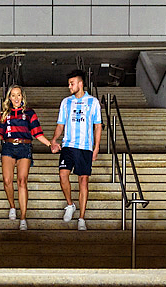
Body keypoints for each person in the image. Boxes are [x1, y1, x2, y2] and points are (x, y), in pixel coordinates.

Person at [0, 85, 53, 230]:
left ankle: (23, 217)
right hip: (8, 147)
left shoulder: (30, 113)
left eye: (19, 95)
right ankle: (12, 206)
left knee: (22, 181)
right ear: (9, 98)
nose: (16, 98)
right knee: (7, 180)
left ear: (22, 97)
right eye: (13, 95)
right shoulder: (4, 114)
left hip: (24, 147)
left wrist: (50, 144)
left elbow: (37, 133)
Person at [50, 69, 102, 231]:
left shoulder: (93, 102)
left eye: (72, 84)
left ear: (80, 84)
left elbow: (98, 126)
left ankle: (81, 218)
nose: (69, 87)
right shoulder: (66, 102)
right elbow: (60, 124)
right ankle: (70, 205)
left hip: (85, 147)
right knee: (62, 174)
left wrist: (97, 147)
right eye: (68, 84)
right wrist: (54, 140)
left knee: (83, 181)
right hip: (68, 145)